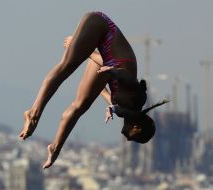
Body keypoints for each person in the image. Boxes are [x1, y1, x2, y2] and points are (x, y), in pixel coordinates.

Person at [19, 11, 153, 169]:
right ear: (137, 127)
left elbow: (102, 89)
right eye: (134, 139)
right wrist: (112, 71)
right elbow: (128, 78)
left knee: (80, 105)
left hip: (106, 61)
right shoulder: (137, 100)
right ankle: (33, 114)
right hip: (103, 28)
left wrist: (107, 100)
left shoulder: (121, 107)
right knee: (66, 67)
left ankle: (55, 148)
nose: (129, 140)